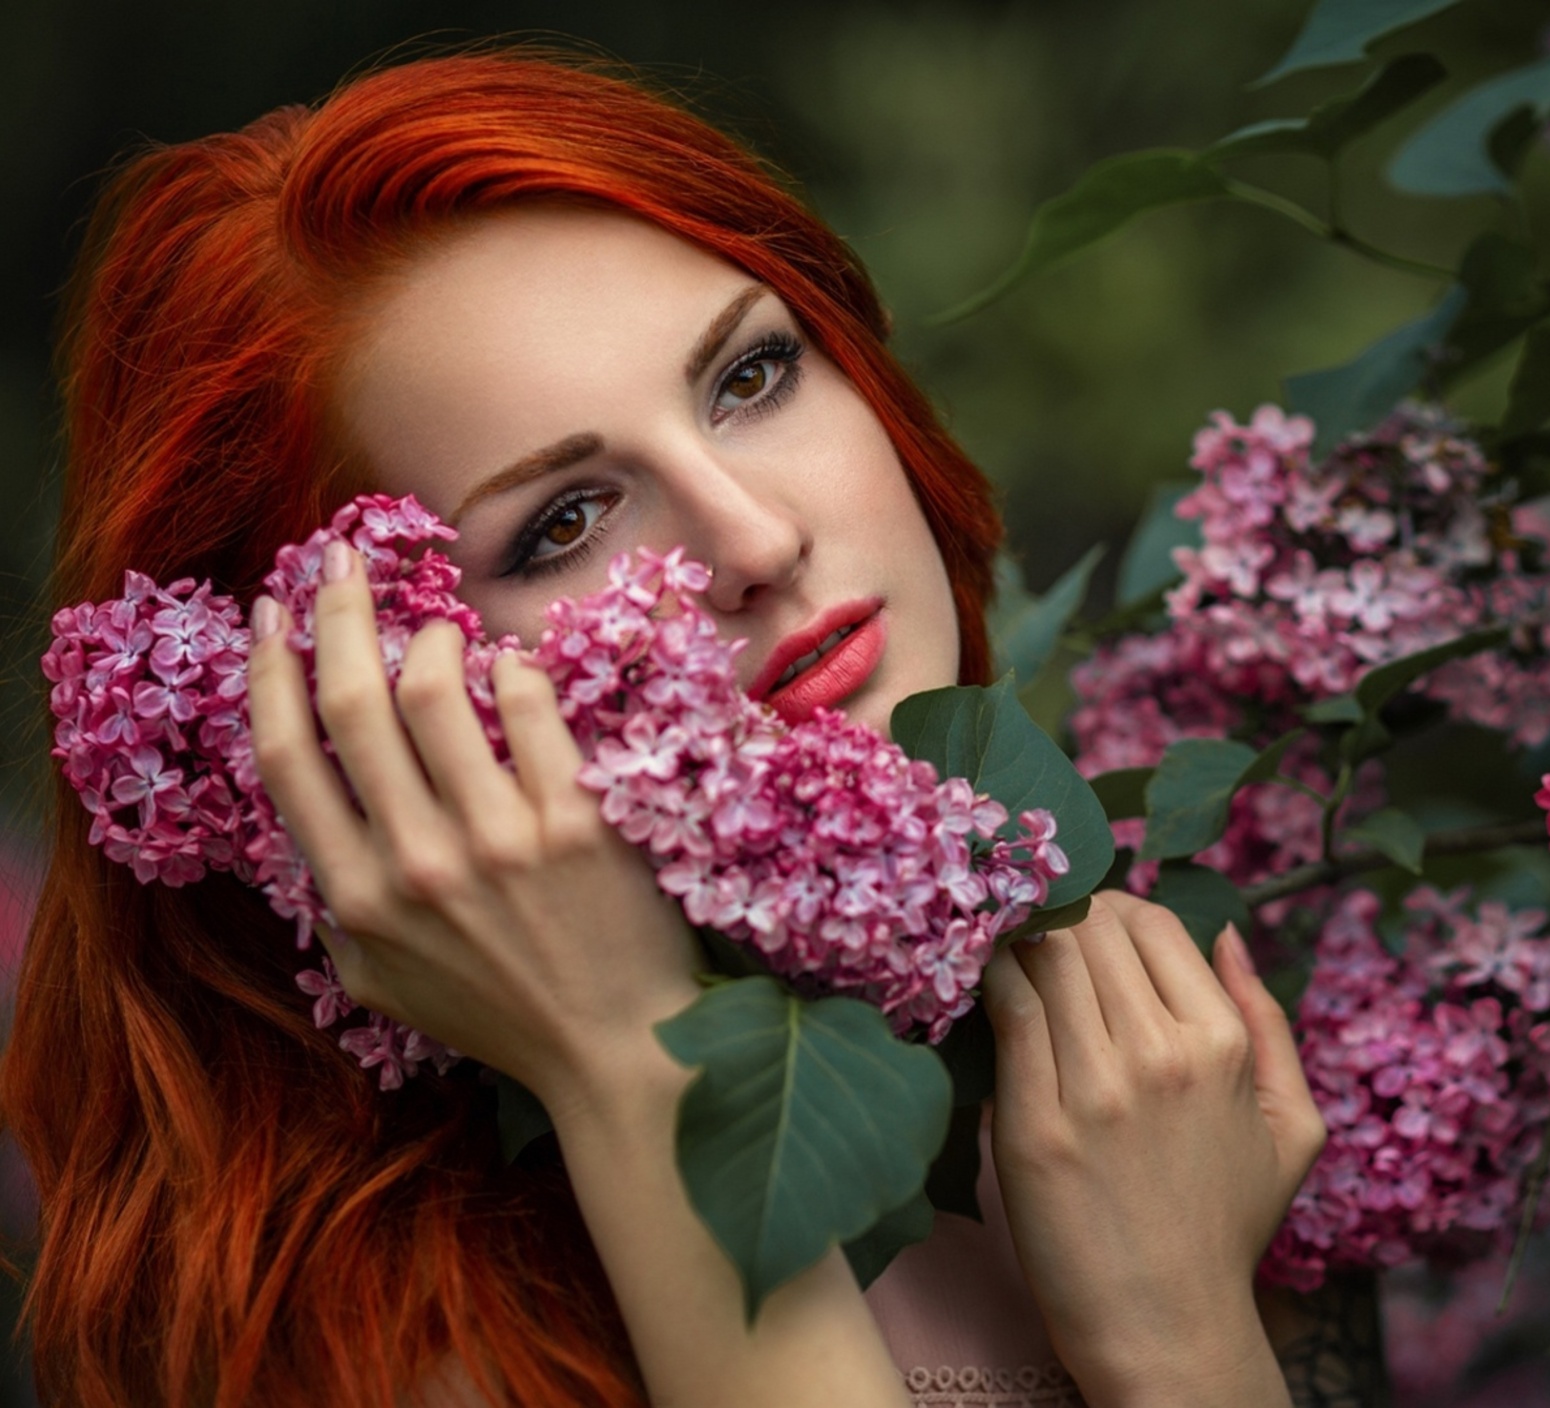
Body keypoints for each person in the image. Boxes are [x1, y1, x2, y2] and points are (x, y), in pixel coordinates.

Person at [1, 48, 1365, 1408]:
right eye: (564, 524)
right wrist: (618, 1054)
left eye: (753, 377)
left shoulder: (1169, 1091)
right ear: (347, 699)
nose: (758, 538)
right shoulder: (406, 1349)